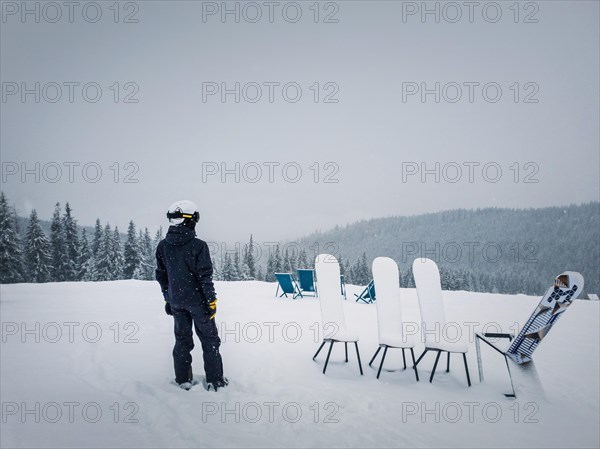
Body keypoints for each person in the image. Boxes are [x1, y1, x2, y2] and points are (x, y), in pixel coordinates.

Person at [155, 200, 228, 391]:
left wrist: (167, 297)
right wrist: (211, 300)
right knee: (210, 340)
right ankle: (215, 380)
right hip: (198, 303)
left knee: (182, 340)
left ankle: (183, 379)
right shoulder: (198, 246)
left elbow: (161, 276)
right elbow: (205, 276)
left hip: (177, 303)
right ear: (190, 220)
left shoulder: (163, 246)